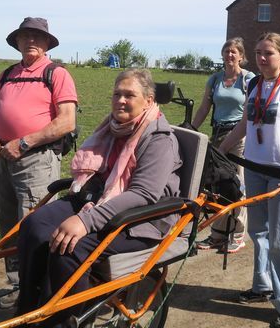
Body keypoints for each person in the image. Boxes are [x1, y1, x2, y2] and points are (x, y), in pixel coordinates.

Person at [17, 69, 182, 324]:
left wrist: (86, 221)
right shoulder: (114, 127)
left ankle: (65, 320)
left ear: (148, 100)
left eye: (130, 95)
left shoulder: (159, 139)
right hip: (101, 198)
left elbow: (143, 194)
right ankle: (29, 310)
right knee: (33, 225)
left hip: (142, 220)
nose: (121, 100)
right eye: (117, 94)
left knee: (70, 247)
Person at [220, 32, 280, 328]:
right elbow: (246, 124)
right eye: (259, 52)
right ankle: (263, 286)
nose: (262, 58)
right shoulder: (253, 84)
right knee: (258, 233)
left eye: (269, 53)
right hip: (254, 168)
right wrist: (220, 149)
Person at [0, 17, 78, 308]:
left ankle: (40, 290)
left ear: (48, 42)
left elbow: (66, 121)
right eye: (25, 36)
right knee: (10, 224)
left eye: (37, 36)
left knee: (36, 226)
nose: (31, 41)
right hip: (4, 160)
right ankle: (18, 285)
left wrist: (24, 143)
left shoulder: (57, 74)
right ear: (17, 42)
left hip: (37, 161)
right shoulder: (8, 74)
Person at [192, 37, 255, 253]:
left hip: (239, 137)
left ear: (241, 56)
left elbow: (250, 113)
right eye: (227, 51)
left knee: (238, 184)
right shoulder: (215, 79)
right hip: (217, 133)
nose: (230, 55)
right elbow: (204, 108)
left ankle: (237, 234)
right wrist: (191, 128)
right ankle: (218, 234)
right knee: (216, 185)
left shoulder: (248, 79)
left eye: (234, 52)